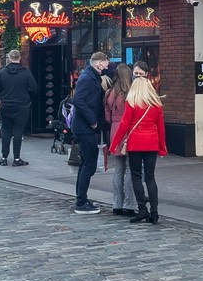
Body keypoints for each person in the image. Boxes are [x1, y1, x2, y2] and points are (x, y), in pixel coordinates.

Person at [110, 76, 167, 224]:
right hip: (152, 143)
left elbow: (124, 124)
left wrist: (115, 144)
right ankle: (155, 212)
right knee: (150, 177)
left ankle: (142, 210)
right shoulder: (156, 105)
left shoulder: (132, 103)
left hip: (136, 143)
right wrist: (162, 147)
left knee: (136, 176)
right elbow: (161, 128)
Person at [70, 52, 110, 212]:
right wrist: (92, 120)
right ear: (98, 62)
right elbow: (78, 100)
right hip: (84, 127)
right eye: (106, 62)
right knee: (89, 164)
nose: (107, 66)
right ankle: (81, 202)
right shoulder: (87, 78)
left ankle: (82, 199)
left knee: (86, 164)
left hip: (85, 126)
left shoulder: (90, 77)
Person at [0, 49, 38, 167]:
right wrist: (28, 99)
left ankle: (4, 158)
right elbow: (34, 88)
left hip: (6, 105)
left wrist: (2, 96)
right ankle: (16, 158)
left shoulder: (2, 73)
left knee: (5, 131)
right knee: (18, 131)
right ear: (19, 58)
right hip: (21, 106)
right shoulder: (26, 73)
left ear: (9, 58)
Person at [103, 64, 137, 217]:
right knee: (131, 168)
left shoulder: (110, 92)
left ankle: (117, 203)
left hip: (115, 130)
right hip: (129, 130)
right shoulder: (131, 92)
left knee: (118, 169)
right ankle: (129, 204)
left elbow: (107, 117)